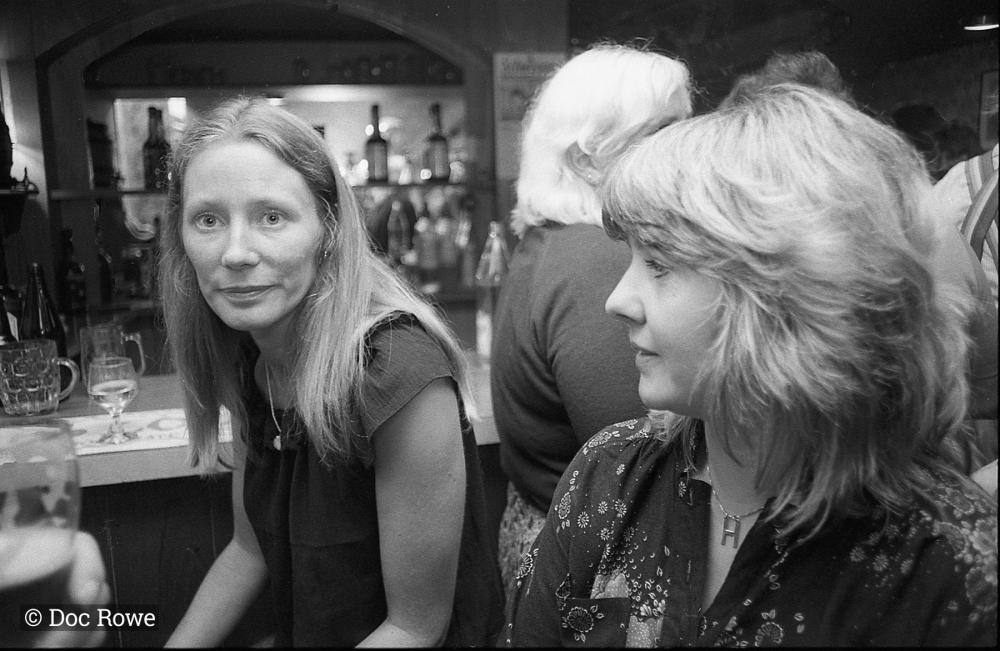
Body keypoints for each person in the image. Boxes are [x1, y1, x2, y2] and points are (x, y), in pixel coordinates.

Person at [504, 84, 997, 647]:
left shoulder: (947, 565)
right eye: (631, 257)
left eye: (659, 263)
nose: (617, 299)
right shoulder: (610, 476)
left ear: (790, 300)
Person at [160, 97, 502, 647]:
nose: (236, 252)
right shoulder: (253, 355)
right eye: (208, 220)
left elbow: (416, 628)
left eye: (272, 217)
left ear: (329, 230)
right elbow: (249, 550)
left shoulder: (396, 372)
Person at [490, 42, 692, 604]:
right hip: (595, 566)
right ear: (586, 160)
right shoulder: (600, 258)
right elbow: (644, 463)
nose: (686, 146)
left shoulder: (556, 239)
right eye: (664, 130)